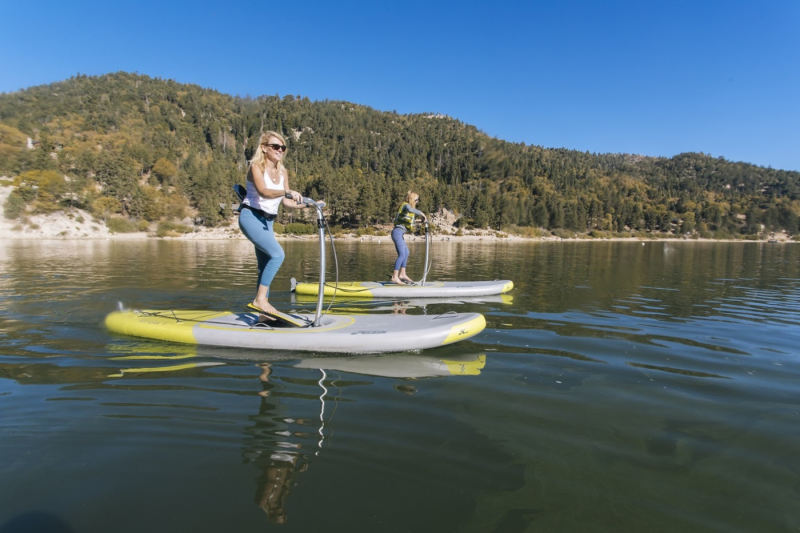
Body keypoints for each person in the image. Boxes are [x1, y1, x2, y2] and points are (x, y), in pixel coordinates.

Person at [239, 131, 306, 318]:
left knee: (265, 265)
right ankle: (261, 300)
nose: (280, 150)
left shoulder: (283, 171)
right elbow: (263, 192)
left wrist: (309, 204)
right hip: (251, 216)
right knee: (277, 255)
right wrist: (286, 193)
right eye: (275, 146)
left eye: (283, 148)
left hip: (268, 222)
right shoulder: (256, 167)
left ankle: (263, 313)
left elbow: (288, 202)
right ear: (264, 148)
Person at [390, 191, 427, 285]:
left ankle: (402, 274)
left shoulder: (408, 210)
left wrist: (422, 221)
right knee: (402, 255)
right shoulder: (406, 205)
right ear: (412, 199)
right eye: (416, 200)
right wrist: (422, 213)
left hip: (399, 234)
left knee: (406, 253)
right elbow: (410, 210)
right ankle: (395, 277)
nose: (417, 202)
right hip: (397, 233)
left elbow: (409, 221)